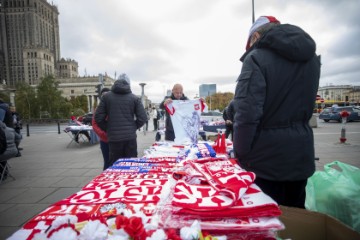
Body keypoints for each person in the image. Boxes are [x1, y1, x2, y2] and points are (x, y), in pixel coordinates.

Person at [232, 16, 320, 208]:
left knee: (267, 224)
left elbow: (246, 115)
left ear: (255, 36)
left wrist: (239, 153)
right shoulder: (310, 59)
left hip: (265, 163)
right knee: (297, 222)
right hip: (301, 156)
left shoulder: (256, 58)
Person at [94, 73, 147, 167]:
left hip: (114, 139)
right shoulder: (134, 98)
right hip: (130, 139)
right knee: (131, 166)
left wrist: (109, 128)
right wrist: (132, 127)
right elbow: (143, 118)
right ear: (129, 84)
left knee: (115, 167)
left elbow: (98, 117)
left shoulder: (106, 97)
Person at [92, 87, 111, 170]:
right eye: (103, 95)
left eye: (107, 94)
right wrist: (102, 134)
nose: (106, 96)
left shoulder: (114, 107)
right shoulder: (98, 109)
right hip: (105, 140)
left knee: (117, 162)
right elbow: (94, 124)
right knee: (107, 162)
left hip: (116, 139)